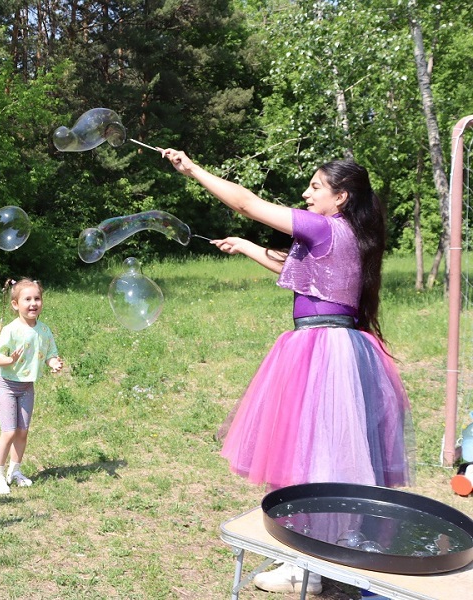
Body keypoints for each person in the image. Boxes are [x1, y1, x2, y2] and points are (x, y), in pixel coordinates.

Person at [162, 149, 413, 595]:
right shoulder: (348, 232)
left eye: (315, 186)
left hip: (319, 349)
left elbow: (245, 202)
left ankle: (308, 565)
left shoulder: (323, 225)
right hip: (341, 345)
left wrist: (194, 169)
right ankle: (327, 549)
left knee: (310, 456)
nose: (305, 193)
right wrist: (244, 246)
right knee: (326, 455)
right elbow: (298, 271)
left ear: (341, 196)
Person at [0, 278, 63, 495]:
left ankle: (15, 471)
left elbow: (49, 354)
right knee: (9, 431)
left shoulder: (44, 330)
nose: (33, 303)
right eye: (27, 299)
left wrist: (54, 363)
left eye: (37, 298)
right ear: (15, 304)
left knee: (22, 432)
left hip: (27, 387)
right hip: (6, 386)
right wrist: (9, 360)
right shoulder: (11, 330)